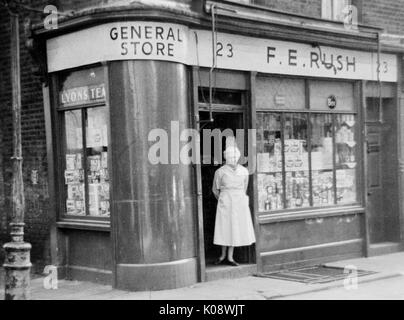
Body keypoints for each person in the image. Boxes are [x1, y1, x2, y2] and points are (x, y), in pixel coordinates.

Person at [211, 141, 256, 266]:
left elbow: (244, 187)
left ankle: (230, 257)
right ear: (226, 157)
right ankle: (222, 255)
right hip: (225, 201)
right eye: (230, 157)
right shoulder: (220, 172)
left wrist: (239, 198)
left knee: (235, 227)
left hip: (239, 201)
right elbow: (215, 189)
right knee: (224, 227)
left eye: (235, 157)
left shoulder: (244, 171)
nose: (233, 159)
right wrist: (223, 199)